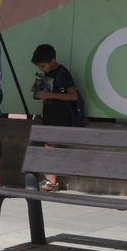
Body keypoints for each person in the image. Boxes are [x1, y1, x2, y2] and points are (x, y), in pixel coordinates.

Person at [30, 43, 79, 191]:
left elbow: (74, 95)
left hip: (60, 115)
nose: (41, 69)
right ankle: (49, 180)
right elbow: (42, 90)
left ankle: (51, 181)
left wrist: (49, 94)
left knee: (50, 146)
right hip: (49, 112)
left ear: (52, 61)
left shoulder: (62, 73)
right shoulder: (47, 72)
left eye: (43, 66)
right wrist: (38, 89)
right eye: (39, 66)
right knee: (48, 146)